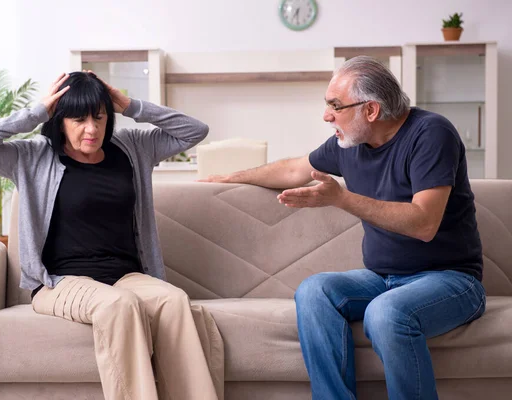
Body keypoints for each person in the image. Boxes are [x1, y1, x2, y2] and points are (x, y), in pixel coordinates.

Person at [201, 56, 486, 400]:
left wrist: (342, 198)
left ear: (371, 110)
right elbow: (294, 170)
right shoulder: (347, 144)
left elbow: (424, 223)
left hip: (451, 280)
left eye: (335, 106)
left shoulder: (431, 134)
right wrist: (232, 177)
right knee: (314, 291)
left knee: (386, 312)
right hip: (383, 279)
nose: (326, 115)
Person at [0, 71, 221, 400]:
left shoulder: (133, 148)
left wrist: (129, 104)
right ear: (59, 119)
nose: (91, 129)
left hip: (125, 276)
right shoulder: (32, 156)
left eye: (99, 117)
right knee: (120, 305)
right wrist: (35, 113)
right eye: (78, 119)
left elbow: (195, 131)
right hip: (60, 282)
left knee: (174, 300)